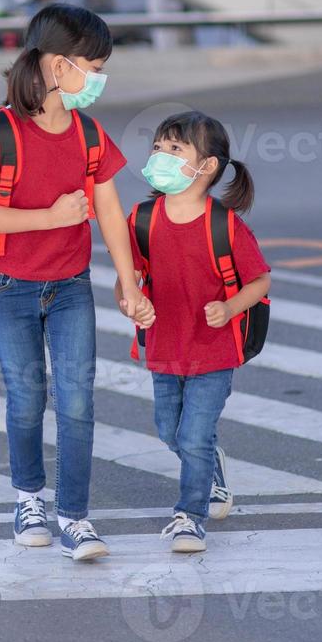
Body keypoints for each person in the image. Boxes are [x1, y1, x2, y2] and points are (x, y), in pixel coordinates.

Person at [0, 3, 150, 562]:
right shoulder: (0, 132)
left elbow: (111, 213)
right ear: (59, 65)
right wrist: (53, 217)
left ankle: (75, 517)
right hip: (9, 288)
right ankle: (28, 500)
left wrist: (129, 280)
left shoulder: (89, 134)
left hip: (69, 288)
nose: (99, 77)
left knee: (77, 403)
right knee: (26, 399)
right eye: (94, 64)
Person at [122, 110, 270, 554]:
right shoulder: (142, 219)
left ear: (206, 166)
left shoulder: (224, 224)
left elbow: (260, 281)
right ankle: (213, 471)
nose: (159, 156)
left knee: (192, 436)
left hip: (214, 351)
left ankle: (189, 517)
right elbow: (128, 278)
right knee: (170, 431)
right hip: (164, 346)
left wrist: (229, 308)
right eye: (158, 147)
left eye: (174, 149)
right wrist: (131, 301)